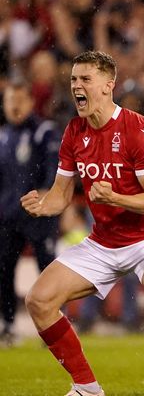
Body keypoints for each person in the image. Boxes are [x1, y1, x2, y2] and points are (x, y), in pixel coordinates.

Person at [21, 51, 144, 396]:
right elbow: (60, 194)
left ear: (108, 85)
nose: (76, 87)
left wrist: (117, 199)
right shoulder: (74, 131)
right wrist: (42, 205)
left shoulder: (137, 128)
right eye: (72, 80)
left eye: (85, 79)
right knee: (38, 300)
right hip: (104, 241)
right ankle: (87, 388)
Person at [0, 79, 60, 346]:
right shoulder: (2, 136)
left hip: (38, 216)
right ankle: (9, 326)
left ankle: (56, 325)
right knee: (4, 272)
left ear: (30, 102)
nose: (15, 105)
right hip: (8, 217)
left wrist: (46, 202)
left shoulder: (43, 131)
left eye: (20, 99)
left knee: (46, 270)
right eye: (10, 99)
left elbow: (53, 172)